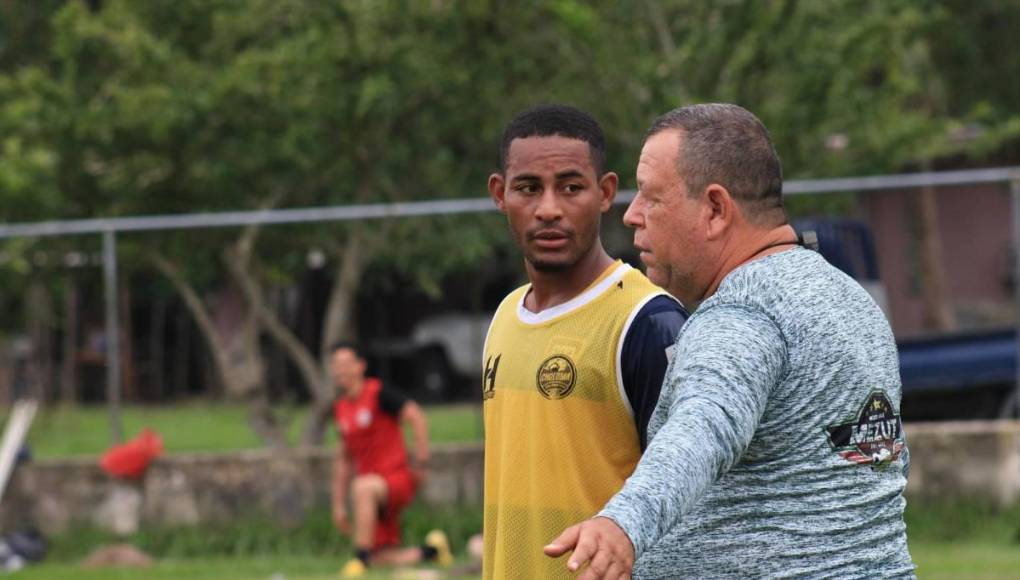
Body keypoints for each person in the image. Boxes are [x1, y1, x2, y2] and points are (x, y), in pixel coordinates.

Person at [545, 103, 915, 579]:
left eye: (652, 198)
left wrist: (623, 522)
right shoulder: (850, 299)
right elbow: (881, 456)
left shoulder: (741, 315)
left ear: (716, 209)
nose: (632, 215)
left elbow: (705, 427)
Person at [483, 104, 687, 579]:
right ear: (500, 194)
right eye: (528, 188)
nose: (548, 208)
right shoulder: (503, 318)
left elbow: (693, 492)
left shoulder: (649, 322)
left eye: (571, 187)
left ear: (605, 193)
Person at [329, 342, 453, 577]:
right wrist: (338, 505)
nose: (340, 370)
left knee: (362, 486)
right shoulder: (341, 409)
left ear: (360, 366)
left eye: (345, 364)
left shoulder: (379, 393)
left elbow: (415, 416)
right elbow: (343, 460)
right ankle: (433, 551)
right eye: (335, 365)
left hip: (396, 478)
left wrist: (422, 461)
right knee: (382, 558)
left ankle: (359, 558)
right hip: (370, 492)